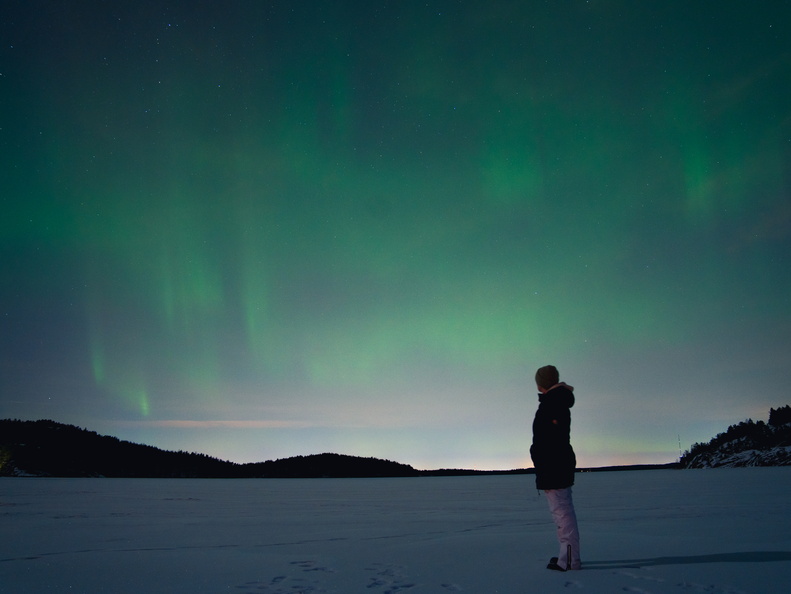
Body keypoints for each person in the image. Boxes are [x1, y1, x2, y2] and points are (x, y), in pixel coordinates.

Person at [530, 364, 581, 571]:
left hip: (554, 466)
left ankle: (569, 561)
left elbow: (551, 439)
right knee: (561, 513)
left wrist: (541, 456)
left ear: (543, 383)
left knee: (562, 514)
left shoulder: (553, 403)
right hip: (554, 465)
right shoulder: (554, 401)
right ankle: (567, 556)